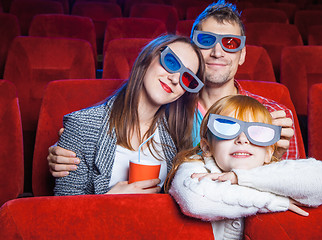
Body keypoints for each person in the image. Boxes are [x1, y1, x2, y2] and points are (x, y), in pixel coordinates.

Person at [47, 0, 298, 177]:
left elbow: (293, 188)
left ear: (242, 55)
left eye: (231, 44)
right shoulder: (167, 104)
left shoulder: (274, 114)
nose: (218, 52)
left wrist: (273, 156)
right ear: (192, 48)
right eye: (207, 40)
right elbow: (113, 132)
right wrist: (69, 153)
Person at [167, 95, 322, 240]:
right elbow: (197, 201)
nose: (242, 139)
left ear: (268, 152)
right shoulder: (193, 167)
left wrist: (239, 178)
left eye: (257, 133)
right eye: (227, 128)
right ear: (206, 147)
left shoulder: (273, 169)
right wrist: (278, 201)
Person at [53, 34, 205, 195]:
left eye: (187, 78)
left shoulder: (178, 136)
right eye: (171, 62)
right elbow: (63, 212)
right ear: (148, 58)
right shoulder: (81, 126)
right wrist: (110, 201)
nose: (175, 79)